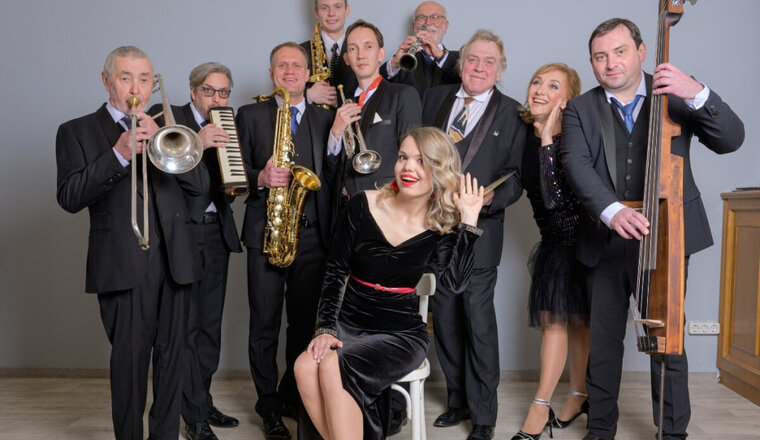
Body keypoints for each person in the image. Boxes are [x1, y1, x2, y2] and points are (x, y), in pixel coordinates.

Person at [560, 18, 745, 440]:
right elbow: (576, 165)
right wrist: (611, 211)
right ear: (591, 62)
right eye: (600, 56)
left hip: (669, 238)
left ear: (642, 52)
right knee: (603, 343)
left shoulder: (675, 94)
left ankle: (673, 433)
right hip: (605, 240)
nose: (611, 63)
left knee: (668, 340)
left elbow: (731, 139)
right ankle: (600, 430)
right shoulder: (580, 109)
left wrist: (696, 92)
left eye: (620, 51)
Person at [294, 126, 485, 440]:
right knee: (304, 367)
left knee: (331, 365)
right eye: (403, 157)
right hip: (349, 323)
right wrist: (326, 328)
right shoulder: (362, 204)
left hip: (399, 333)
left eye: (421, 161)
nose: (408, 167)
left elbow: (454, 284)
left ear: (439, 171)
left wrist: (469, 223)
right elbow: (335, 271)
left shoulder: (441, 226)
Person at [56, 46, 207, 440]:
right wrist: (118, 154)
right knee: (129, 366)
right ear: (107, 81)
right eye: (126, 78)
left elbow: (200, 187)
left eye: (144, 79)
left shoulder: (167, 126)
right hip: (123, 263)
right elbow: (69, 196)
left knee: (173, 363)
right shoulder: (77, 131)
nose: (136, 88)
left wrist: (164, 142)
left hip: (176, 262)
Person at [421, 29, 526, 440]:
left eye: (489, 62)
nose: (479, 68)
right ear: (460, 64)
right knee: (445, 320)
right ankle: (457, 400)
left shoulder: (513, 113)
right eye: (472, 60)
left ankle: (484, 416)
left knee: (478, 324)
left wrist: (488, 200)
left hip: (480, 234)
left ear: (499, 70)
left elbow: (517, 178)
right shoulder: (433, 98)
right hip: (433, 229)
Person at [236, 42, 338, 440]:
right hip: (266, 233)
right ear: (271, 73)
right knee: (263, 325)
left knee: (302, 325)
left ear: (309, 74)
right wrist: (260, 178)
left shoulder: (326, 117)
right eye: (282, 65)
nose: (290, 71)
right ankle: (268, 408)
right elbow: (232, 172)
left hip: (311, 236)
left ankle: (293, 395)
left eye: (297, 65)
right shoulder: (249, 115)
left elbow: (334, 173)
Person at [149, 62, 242, 440]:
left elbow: (224, 184)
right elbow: (163, 173)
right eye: (209, 91)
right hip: (181, 235)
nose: (216, 99)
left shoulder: (226, 124)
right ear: (192, 91)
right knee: (184, 329)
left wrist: (236, 180)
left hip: (216, 233)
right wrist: (200, 143)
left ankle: (201, 401)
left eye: (223, 92)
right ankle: (193, 416)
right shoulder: (167, 117)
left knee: (209, 328)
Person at [510, 63, 589, 440]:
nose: (540, 90)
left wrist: (546, 141)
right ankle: (576, 396)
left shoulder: (573, 137)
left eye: (553, 85)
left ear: (568, 99)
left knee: (570, 322)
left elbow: (556, 200)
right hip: (553, 240)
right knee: (563, 320)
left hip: (580, 240)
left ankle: (543, 407)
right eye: (537, 82)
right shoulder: (522, 133)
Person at [330, 19, 421, 200]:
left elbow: (413, 157)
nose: (361, 55)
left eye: (368, 47)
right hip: (345, 206)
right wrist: (335, 134)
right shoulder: (343, 103)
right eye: (353, 49)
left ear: (381, 54)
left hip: (387, 201)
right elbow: (333, 166)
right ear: (347, 58)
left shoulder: (403, 94)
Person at [382, 1, 460, 97]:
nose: (427, 22)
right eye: (421, 18)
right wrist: (395, 63)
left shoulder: (461, 58)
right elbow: (377, 89)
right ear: (414, 26)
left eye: (435, 17)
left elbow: (466, 80)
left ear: (446, 25)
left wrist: (441, 56)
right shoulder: (402, 60)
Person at [302, 0, 357, 107]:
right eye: (324, 8)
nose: (331, 13)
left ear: (347, 10)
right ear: (316, 13)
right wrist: (308, 95)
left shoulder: (361, 50)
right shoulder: (300, 52)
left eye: (337, 6)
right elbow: (283, 93)